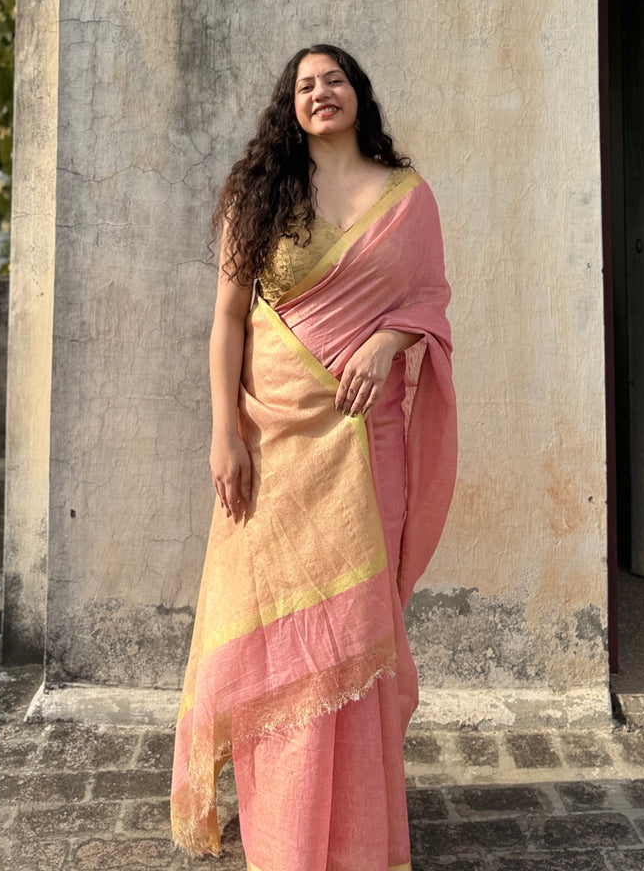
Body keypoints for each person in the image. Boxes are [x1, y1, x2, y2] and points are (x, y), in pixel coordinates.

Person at [171, 44, 457, 871]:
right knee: (278, 641)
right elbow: (229, 320)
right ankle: (290, 843)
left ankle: (362, 841)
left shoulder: (408, 200)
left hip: (373, 445)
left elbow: (430, 300)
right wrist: (223, 433)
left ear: (359, 97)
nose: (320, 93)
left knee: (355, 634)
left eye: (334, 80)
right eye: (305, 85)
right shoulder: (259, 193)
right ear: (288, 107)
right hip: (273, 445)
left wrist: (388, 341)